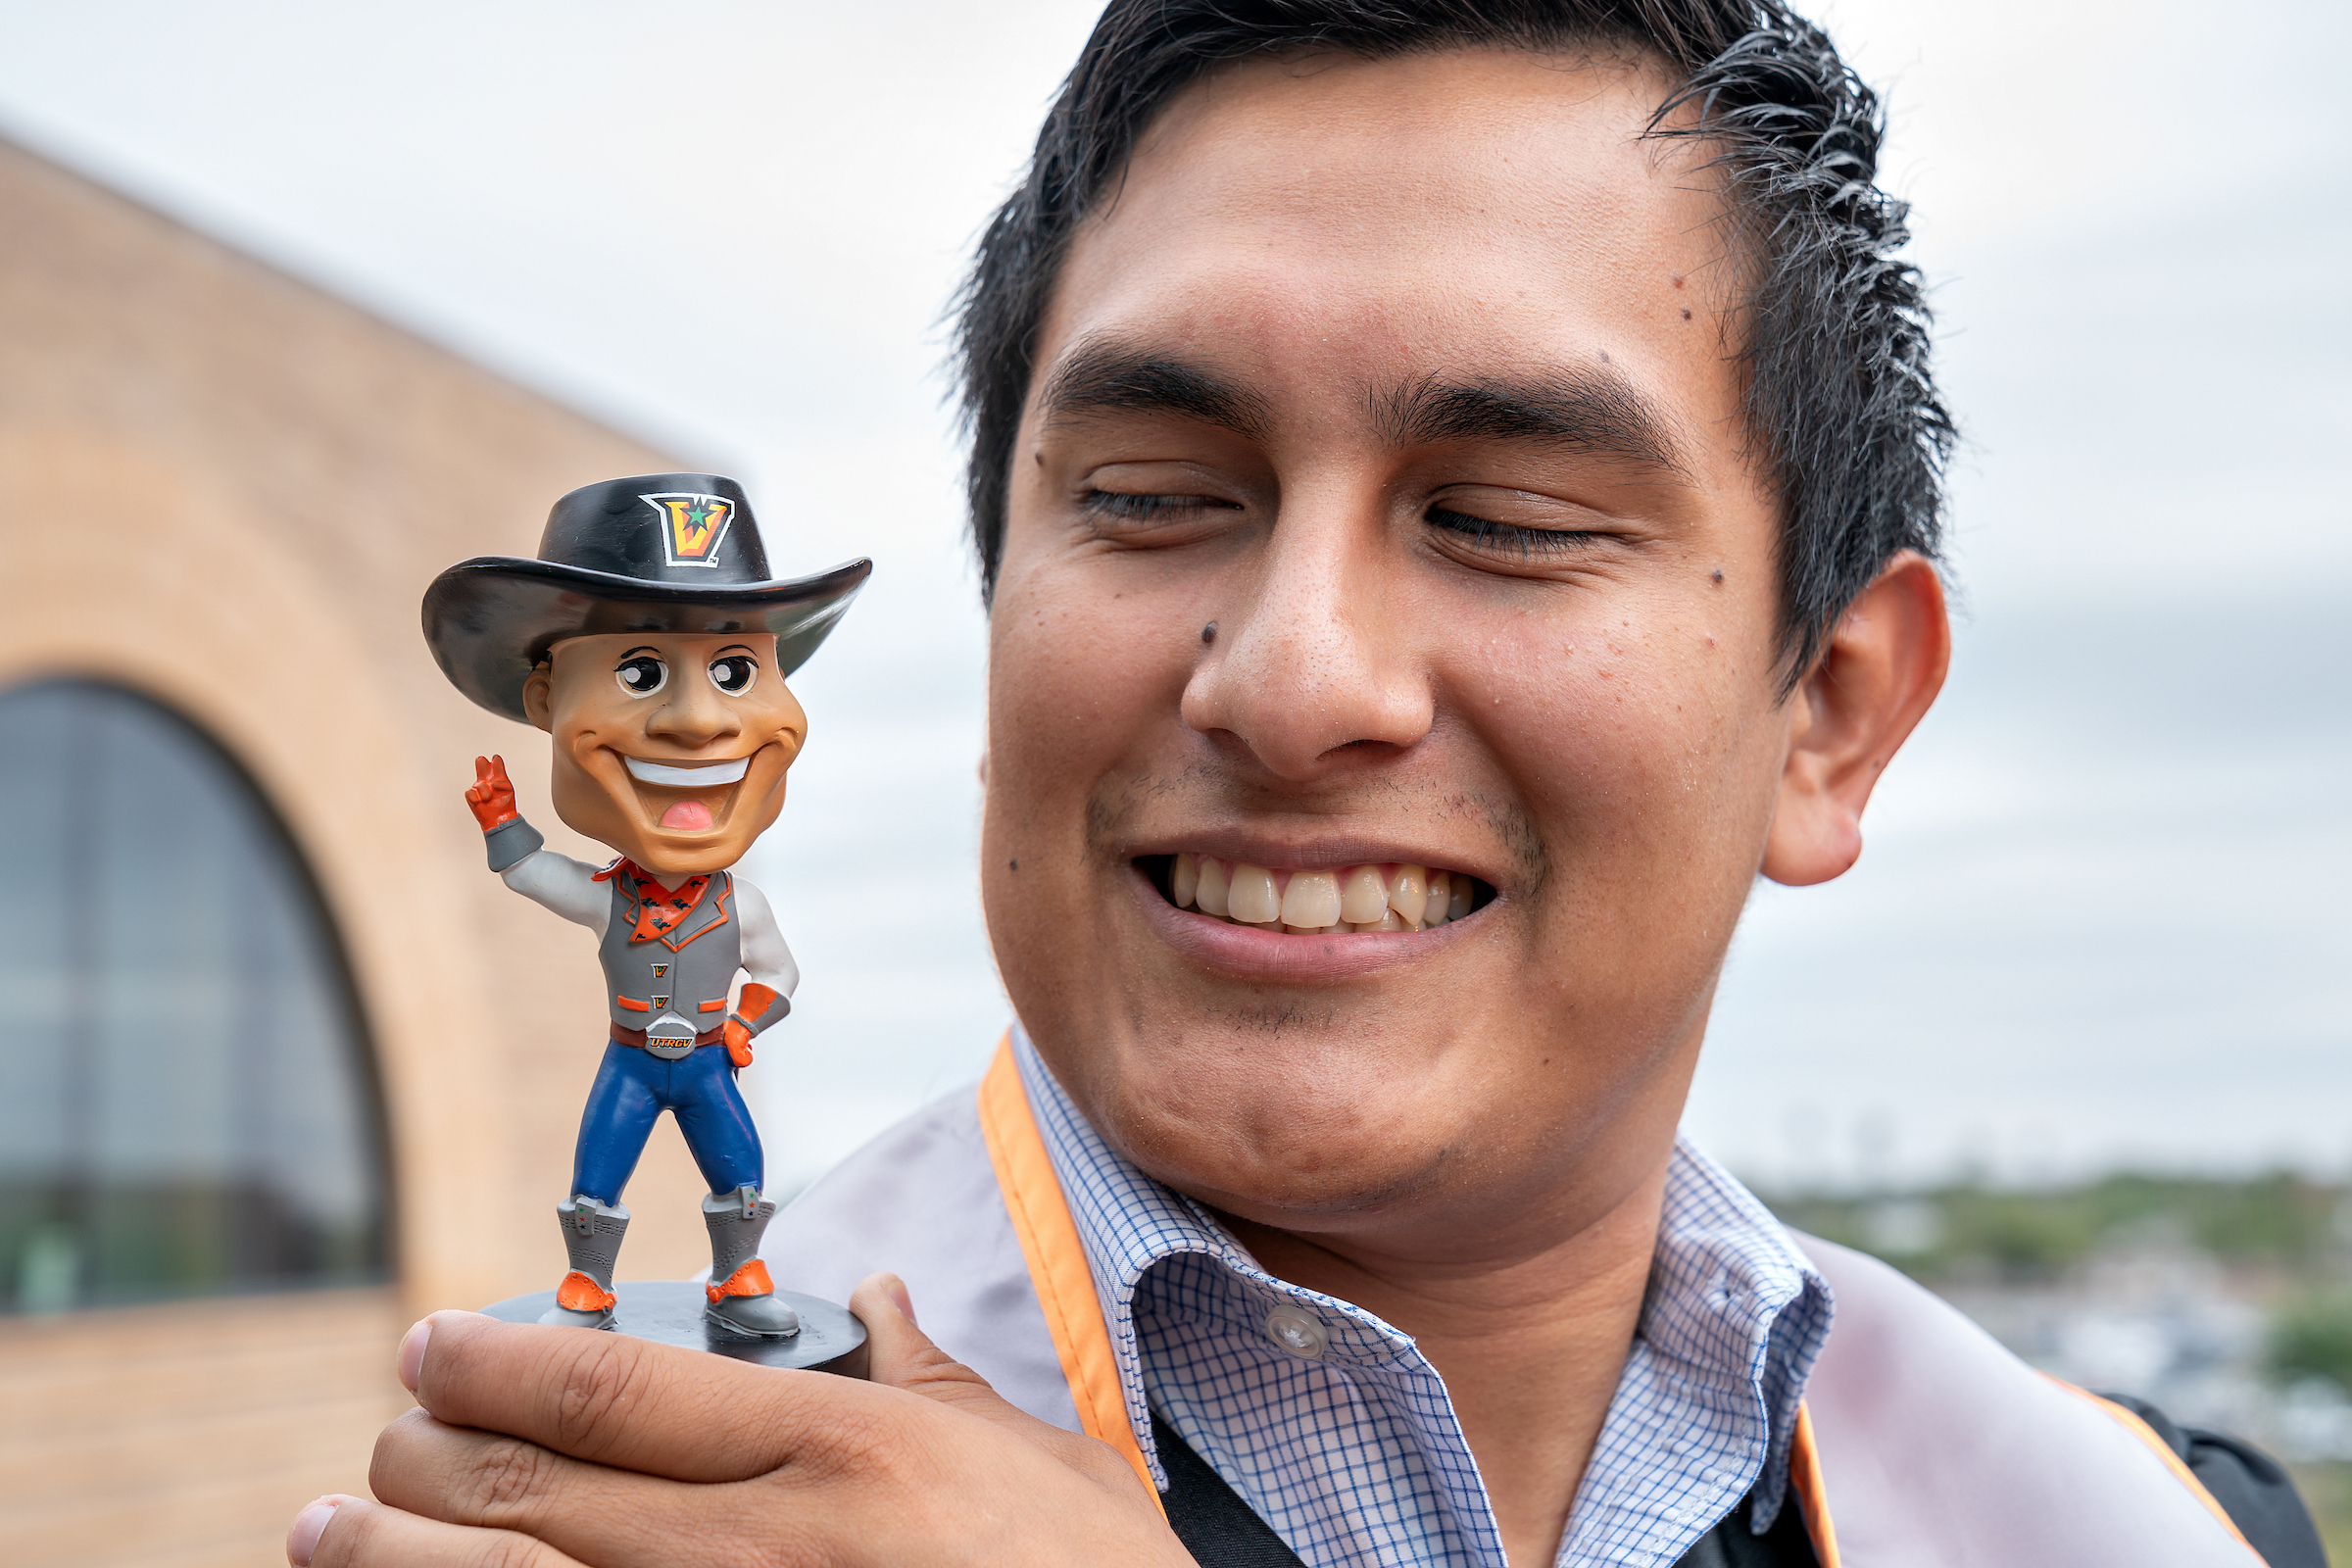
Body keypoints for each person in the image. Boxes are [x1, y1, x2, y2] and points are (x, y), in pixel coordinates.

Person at [291, 3, 2325, 1566]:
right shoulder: (597, 1513)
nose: (1289, 677)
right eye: (1157, 498)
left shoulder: (2139, 1515)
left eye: (1511, 515)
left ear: (1834, 713)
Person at [419, 474, 869, 1338]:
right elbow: (533, 874)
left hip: (705, 1058)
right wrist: (503, 824)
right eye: (640, 671)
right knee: (599, 1169)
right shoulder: (608, 897)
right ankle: (588, 1287)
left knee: (738, 1167)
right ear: (547, 698)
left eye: (737, 672)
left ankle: (739, 1281)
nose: (700, 723)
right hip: (630, 1057)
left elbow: (779, 976)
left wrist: (746, 1023)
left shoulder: (741, 906)